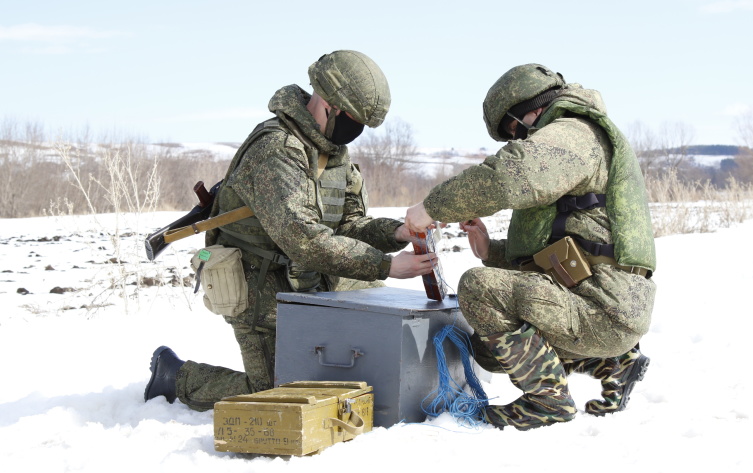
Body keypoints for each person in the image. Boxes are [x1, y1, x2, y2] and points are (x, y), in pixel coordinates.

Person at [145, 50, 435, 409]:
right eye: (353, 119)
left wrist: (396, 234)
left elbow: (347, 225)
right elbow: (303, 237)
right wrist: (386, 266)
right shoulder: (276, 149)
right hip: (256, 283)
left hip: (305, 275)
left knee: (355, 353)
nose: (355, 131)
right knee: (280, 398)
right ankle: (175, 376)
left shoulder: (334, 151)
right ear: (327, 103)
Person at [405, 63, 656, 430]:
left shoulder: (572, 134)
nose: (517, 139)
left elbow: (510, 175)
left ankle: (547, 403)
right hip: (603, 305)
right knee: (489, 352)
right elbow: (565, 247)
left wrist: (431, 208)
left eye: (514, 129)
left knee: (478, 286)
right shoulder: (579, 137)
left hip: (602, 309)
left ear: (533, 108)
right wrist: (490, 249)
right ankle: (615, 363)